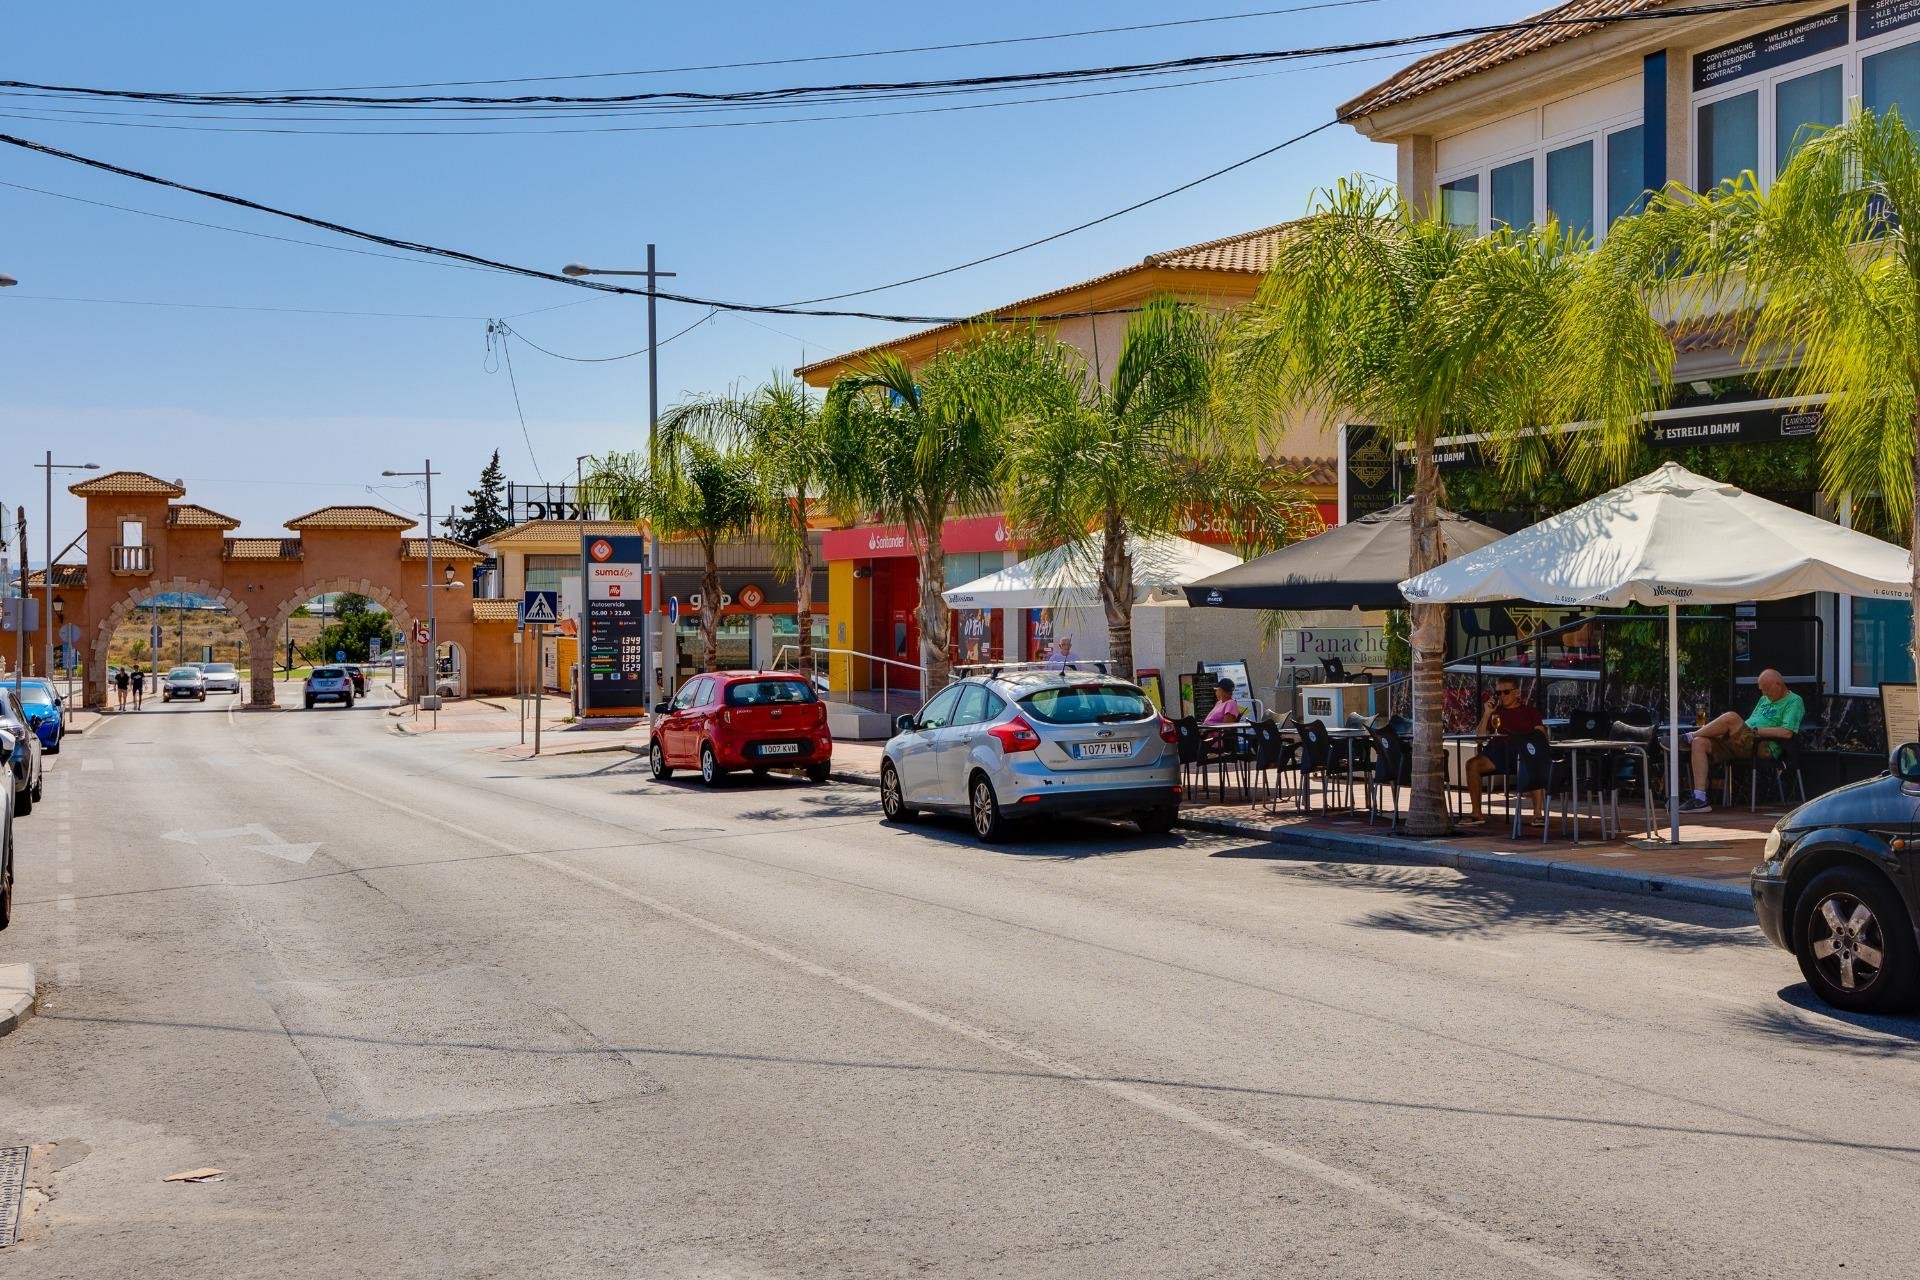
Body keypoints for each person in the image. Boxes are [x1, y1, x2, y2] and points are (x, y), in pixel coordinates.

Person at [1680, 668, 1805, 814]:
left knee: (1731, 717)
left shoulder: (1794, 701)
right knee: (1700, 742)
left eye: (1766, 690)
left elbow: (1787, 732)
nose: (1764, 694)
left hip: (1763, 745)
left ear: (1778, 684)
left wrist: (1756, 730)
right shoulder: (1764, 699)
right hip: (1743, 742)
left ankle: (1688, 737)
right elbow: (1750, 721)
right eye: (1761, 690)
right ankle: (1700, 799)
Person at [1461, 678, 1546, 825]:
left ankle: (1538, 814)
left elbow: (1541, 735)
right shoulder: (1495, 712)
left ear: (1517, 693)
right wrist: (1487, 713)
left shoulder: (1529, 711)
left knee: (1534, 763)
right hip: (1497, 752)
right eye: (1498, 693)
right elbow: (1479, 740)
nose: (1502, 696)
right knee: (1472, 764)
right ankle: (1476, 813)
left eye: (1506, 692)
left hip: (1521, 752)